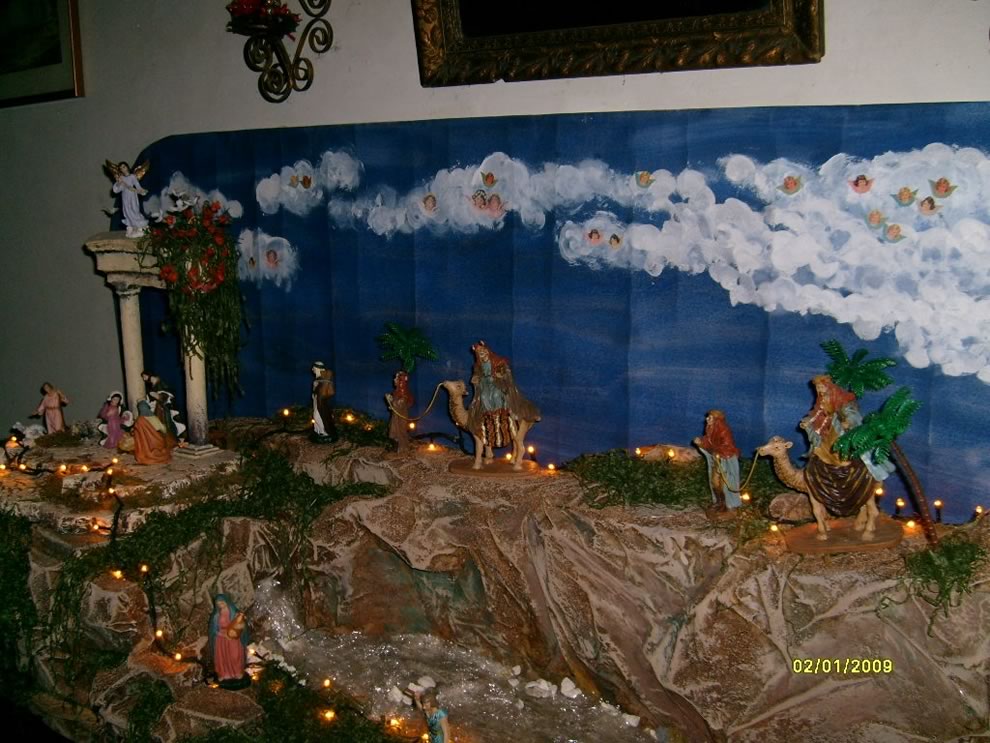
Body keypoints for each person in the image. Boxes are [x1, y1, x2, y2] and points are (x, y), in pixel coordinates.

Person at [694, 410, 742, 511]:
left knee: (723, 483)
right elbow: (709, 442)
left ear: (717, 420)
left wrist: (718, 452)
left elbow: (727, 445)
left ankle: (726, 504)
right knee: (714, 481)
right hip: (716, 459)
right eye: (707, 417)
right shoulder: (710, 428)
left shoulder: (724, 430)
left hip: (725, 458)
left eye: (710, 417)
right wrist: (700, 442)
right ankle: (718, 502)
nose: (707, 419)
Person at [208, 594, 249, 689]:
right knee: (223, 656)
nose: (221, 605)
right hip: (221, 639)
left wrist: (238, 629)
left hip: (233, 639)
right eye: (218, 604)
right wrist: (219, 633)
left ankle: (237, 672)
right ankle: (224, 673)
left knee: (235, 655)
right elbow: (213, 629)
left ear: (227, 602)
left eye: (222, 603)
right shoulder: (216, 615)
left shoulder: (235, 613)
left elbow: (241, 625)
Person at [108, 160, 149, 238]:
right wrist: (119, 183)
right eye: (121, 168)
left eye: (124, 167)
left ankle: (140, 227)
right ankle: (131, 226)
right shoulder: (121, 178)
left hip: (132, 196)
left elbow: (137, 185)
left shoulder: (132, 176)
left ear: (127, 167)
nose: (123, 169)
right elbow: (116, 190)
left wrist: (141, 190)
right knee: (127, 211)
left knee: (134, 210)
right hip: (125, 197)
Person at [132, 400, 172, 465]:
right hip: (156, 441)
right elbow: (163, 429)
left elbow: (136, 432)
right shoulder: (153, 418)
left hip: (145, 443)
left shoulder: (139, 420)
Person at [386, 370, 414, 454]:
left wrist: (391, 401)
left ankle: (402, 448)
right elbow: (394, 405)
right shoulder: (396, 392)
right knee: (395, 430)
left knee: (400, 431)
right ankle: (396, 447)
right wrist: (390, 399)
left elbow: (399, 405)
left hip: (400, 417)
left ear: (401, 382)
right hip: (396, 417)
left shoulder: (404, 394)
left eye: (396, 378)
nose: (394, 380)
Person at [311, 362, 337, 440]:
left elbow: (324, 392)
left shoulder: (323, 379)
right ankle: (319, 430)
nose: (312, 369)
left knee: (318, 415)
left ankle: (324, 431)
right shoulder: (317, 379)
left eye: (314, 368)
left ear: (318, 369)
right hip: (316, 400)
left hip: (321, 401)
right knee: (316, 415)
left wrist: (317, 386)